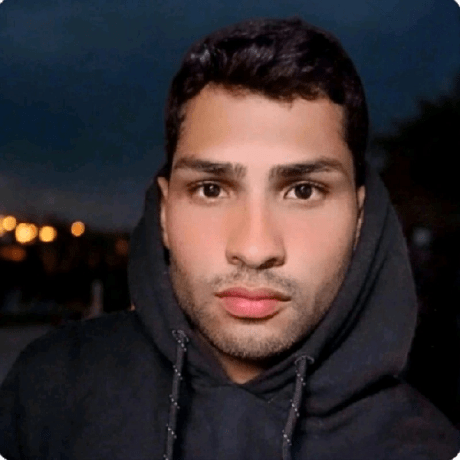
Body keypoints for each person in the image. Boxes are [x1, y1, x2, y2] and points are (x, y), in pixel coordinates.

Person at [0, 17, 459, 460]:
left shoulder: (429, 449)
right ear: (164, 213)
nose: (254, 249)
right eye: (211, 189)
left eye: (303, 191)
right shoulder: (46, 392)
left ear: (358, 219)